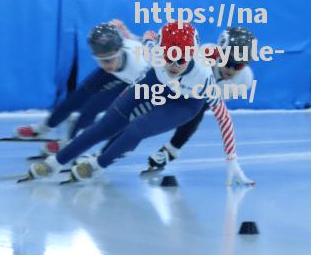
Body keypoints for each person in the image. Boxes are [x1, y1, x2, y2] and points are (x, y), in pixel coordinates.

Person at [28, 21, 254, 186]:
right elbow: (147, 35)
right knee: (106, 125)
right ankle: (55, 162)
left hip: (186, 102)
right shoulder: (152, 51)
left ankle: (97, 166)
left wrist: (232, 161)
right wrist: (127, 33)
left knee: (136, 129)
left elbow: (224, 119)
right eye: (169, 58)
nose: (174, 65)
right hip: (155, 81)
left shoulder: (204, 78)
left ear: (192, 55)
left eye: (181, 60)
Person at [12, 20, 150, 155]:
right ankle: (44, 128)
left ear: (120, 50)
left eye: (109, 59)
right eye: (101, 60)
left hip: (135, 82)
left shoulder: (139, 67)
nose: (106, 64)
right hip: (123, 68)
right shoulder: (116, 46)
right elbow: (126, 36)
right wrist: (124, 31)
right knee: (79, 95)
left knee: (95, 105)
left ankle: (71, 142)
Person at [143, 26, 256, 174]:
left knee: (199, 107)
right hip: (180, 82)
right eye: (227, 62)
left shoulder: (245, 80)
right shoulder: (204, 55)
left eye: (238, 65)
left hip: (200, 94)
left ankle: (171, 150)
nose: (231, 69)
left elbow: (217, 110)